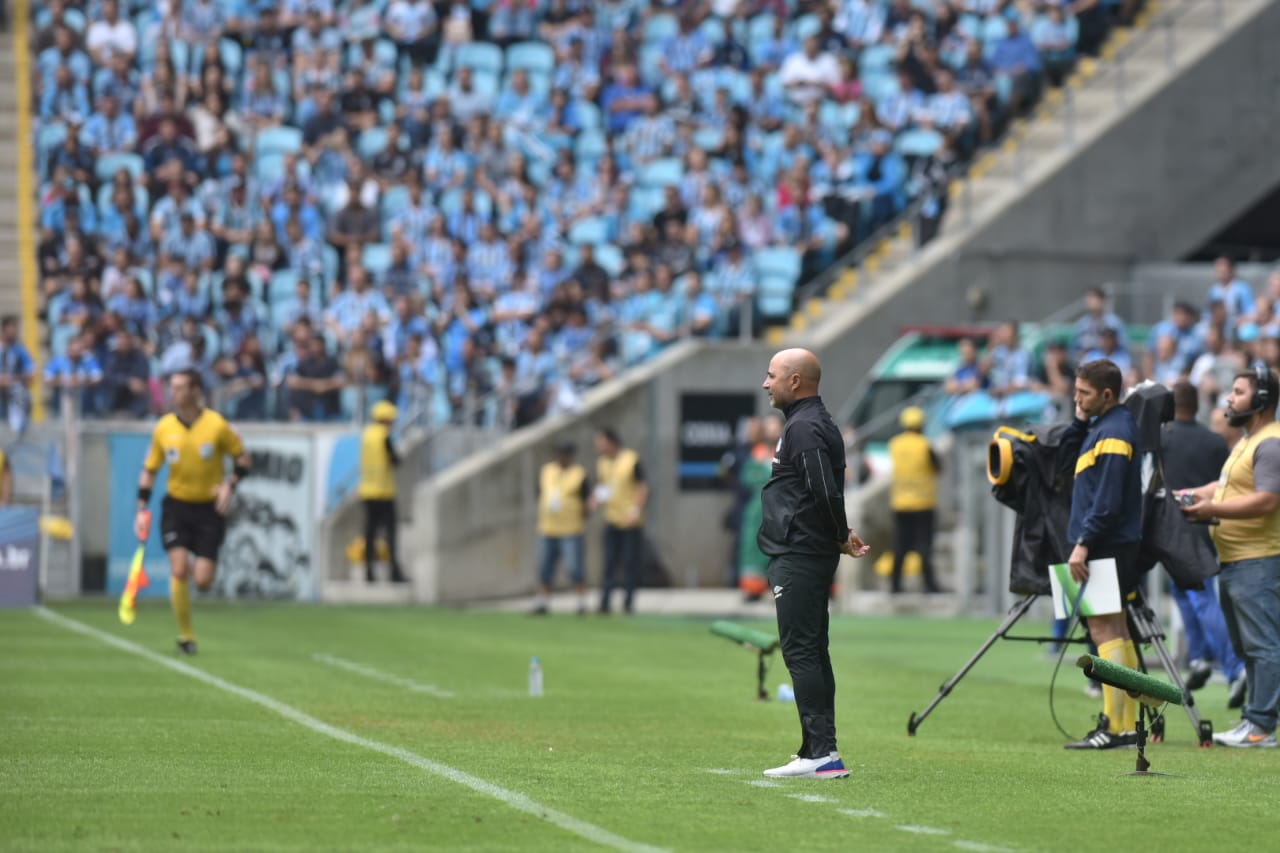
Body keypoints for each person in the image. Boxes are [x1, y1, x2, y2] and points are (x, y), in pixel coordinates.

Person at [757, 348, 870, 779]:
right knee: (813, 651)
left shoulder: (803, 427)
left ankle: (822, 752)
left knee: (801, 651)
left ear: (795, 382)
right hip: (806, 549)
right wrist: (840, 533)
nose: (766, 383)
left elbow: (823, 488)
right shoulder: (811, 422)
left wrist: (840, 533)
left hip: (801, 553)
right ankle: (816, 748)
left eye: (771, 376)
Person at [1181, 366, 1280, 747]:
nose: (1229, 399)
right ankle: (1257, 720)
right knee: (1247, 647)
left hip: (1258, 560)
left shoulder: (1269, 443)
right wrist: (1193, 494)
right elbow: (1224, 487)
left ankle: (1260, 727)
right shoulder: (1246, 441)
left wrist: (1211, 511)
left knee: (1262, 646)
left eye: (1238, 392)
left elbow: (1268, 499)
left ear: (1260, 400)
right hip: (1238, 561)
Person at [135, 369, 251, 655]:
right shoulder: (164, 427)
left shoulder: (217, 425)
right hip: (176, 506)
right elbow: (150, 470)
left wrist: (229, 485)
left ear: (196, 391)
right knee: (178, 568)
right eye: (171, 387)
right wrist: (141, 508)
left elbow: (244, 460)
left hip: (209, 510)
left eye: (180, 388)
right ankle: (186, 636)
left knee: (202, 579)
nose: (173, 393)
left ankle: (192, 594)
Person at [1063, 359, 1144, 750]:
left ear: (1107, 395)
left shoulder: (1114, 432)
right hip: (1114, 544)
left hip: (1103, 545)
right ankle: (1126, 726)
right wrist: (1080, 418)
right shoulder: (1108, 427)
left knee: (1103, 630)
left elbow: (1107, 502)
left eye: (1084, 394)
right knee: (1117, 630)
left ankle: (1114, 726)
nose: (1075, 399)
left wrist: (1083, 542)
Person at [1160, 381, 1246, 706]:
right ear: (1196, 406)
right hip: (1206, 527)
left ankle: (1235, 670)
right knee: (1186, 595)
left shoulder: (1161, 439)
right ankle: (1200, 658)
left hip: (1172, 530)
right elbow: (1226, 485)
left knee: (1199, 599)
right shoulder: (1213, 441)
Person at [589, 427, 647, 614]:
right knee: (609, 563)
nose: (598, 446)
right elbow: (602, 486)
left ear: (612, 441)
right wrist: (595, 500)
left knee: (629, 563)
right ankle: (605, 602)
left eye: (601, 442)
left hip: (630, 521)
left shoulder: (631, 459)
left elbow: (642, 487)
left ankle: (628, 603)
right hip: (611, 519)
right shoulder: (602, 462)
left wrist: (635, 509)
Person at [887, 406, 943, 594]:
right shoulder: (925, 445)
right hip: (923, 503)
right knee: (924, 546)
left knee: (900, 546)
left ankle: (895, 585)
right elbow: (937, 467)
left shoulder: (895, 443)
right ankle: (929, 585)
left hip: (900, 503)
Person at [533, 440, 590, 615]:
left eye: (564, 454)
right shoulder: (547, 470)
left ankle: (581, 603)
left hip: (570, 529)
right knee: (544, 568)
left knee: (575, 568)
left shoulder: (579, 474)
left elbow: (587, 500)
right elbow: (540, 493)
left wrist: (584, 512)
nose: (561, 458)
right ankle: (543, 602)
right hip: (547, 528)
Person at [357, 400, 406, 584]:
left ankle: (368, 570)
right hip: (384, 491)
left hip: (367, 490)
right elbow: (394, 460)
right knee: (390, 533)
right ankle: (394, 571)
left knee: (370, 532)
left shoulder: (367, 435)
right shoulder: (384, 436)